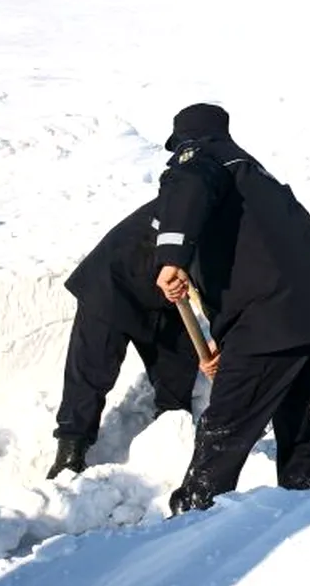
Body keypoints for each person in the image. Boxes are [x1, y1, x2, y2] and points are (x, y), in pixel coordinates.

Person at [151, 102, 310, 515]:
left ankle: (192, 523)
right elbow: (255, 260)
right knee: (294, 417)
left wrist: (171, 257)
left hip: (270, 320)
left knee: (223, 428)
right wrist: (230, 339)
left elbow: (188, 184)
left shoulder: (200, 159)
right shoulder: (254, 176)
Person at [46, 197, 205, 480]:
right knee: (92, 370)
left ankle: (171, 433)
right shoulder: (186, 198)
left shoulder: (220, 218)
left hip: (162, 298)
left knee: (180, 366)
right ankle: (70, 450)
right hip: (113, 284)